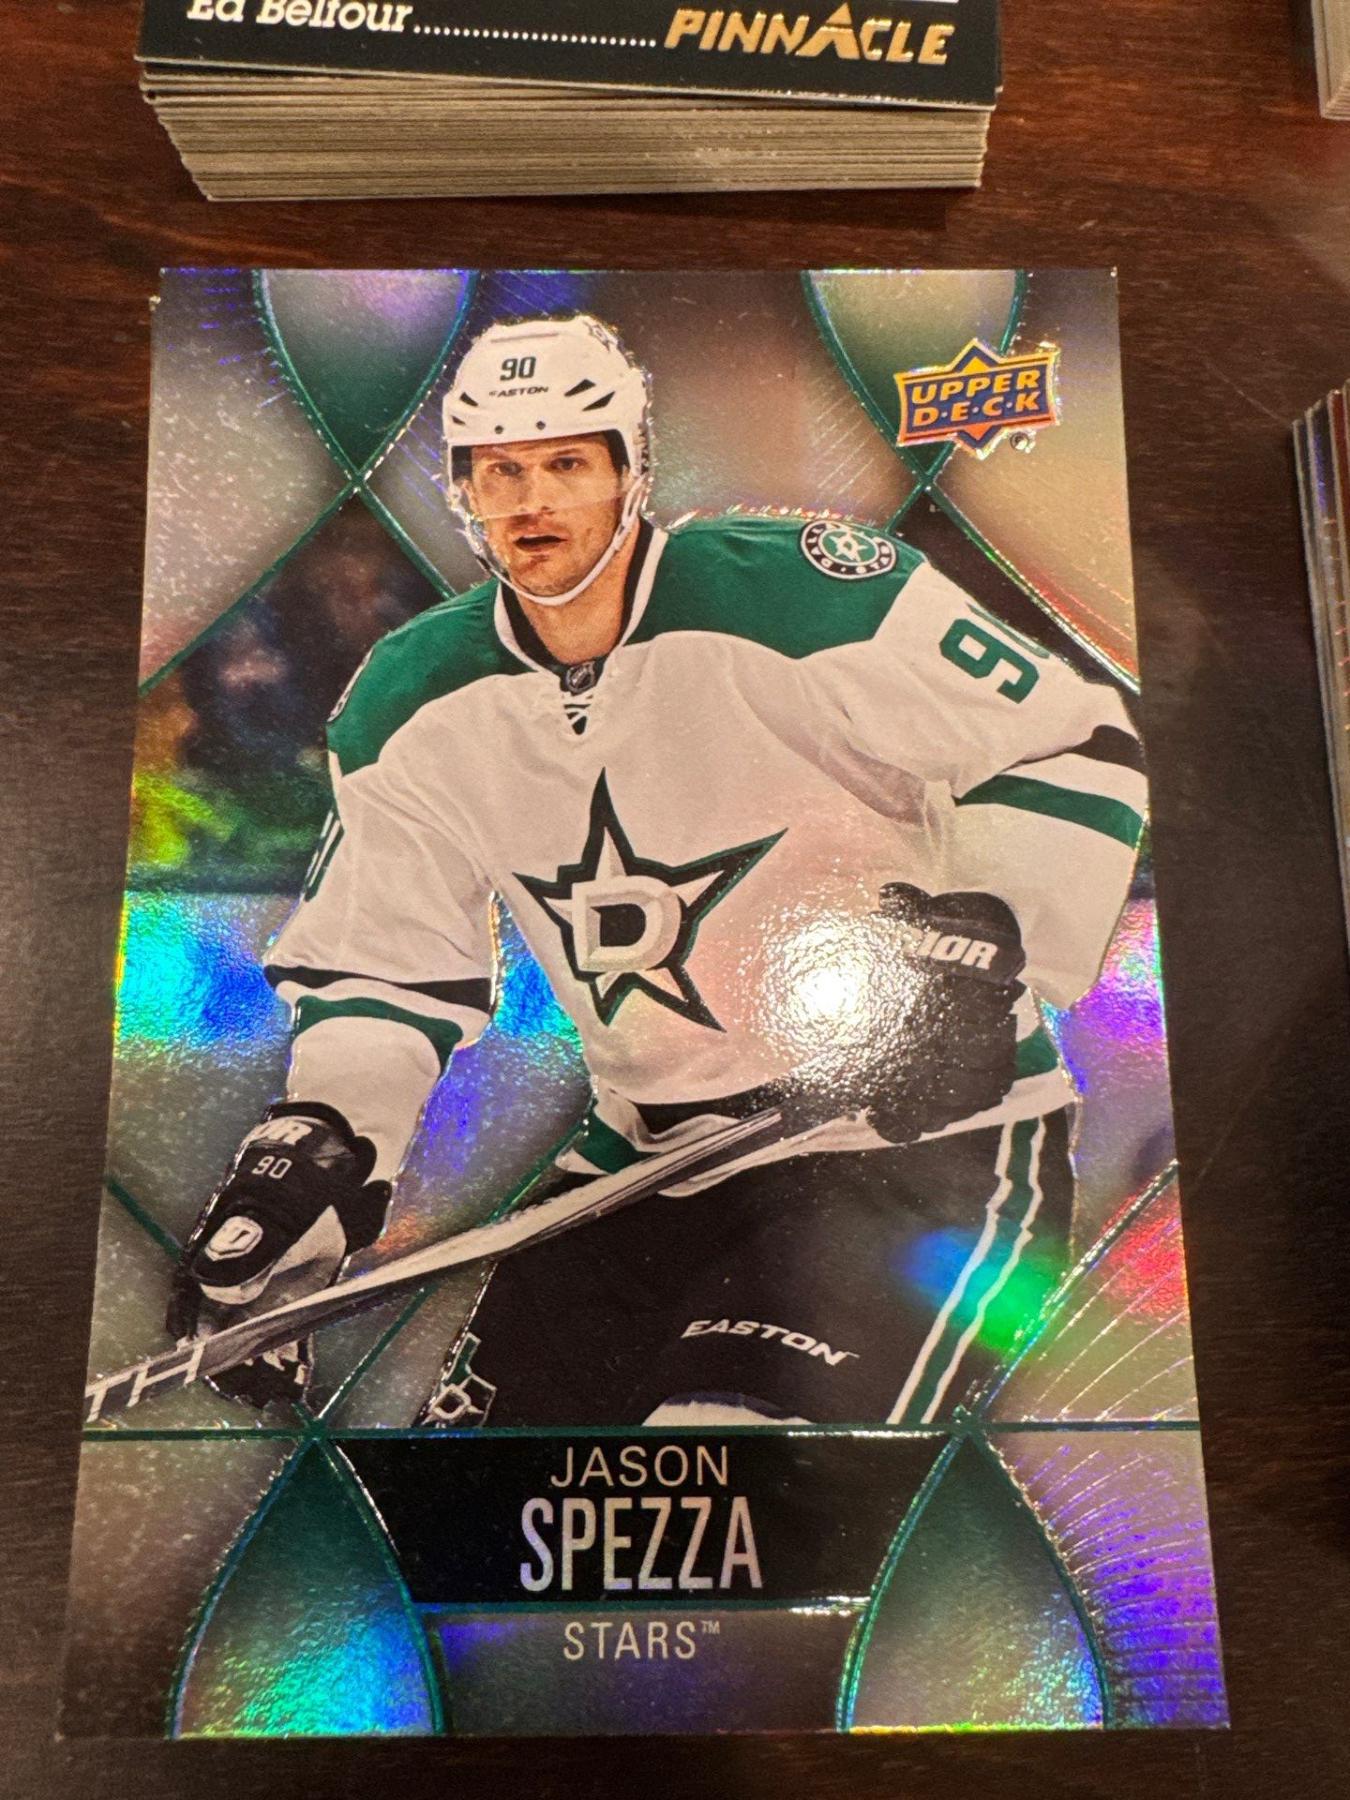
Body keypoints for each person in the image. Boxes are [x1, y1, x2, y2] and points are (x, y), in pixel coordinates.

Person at [167, 312, 1146, 1429]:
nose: (533, 501)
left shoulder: (808, 595)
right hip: (640, 1162)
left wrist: (986, 944)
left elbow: (1069, 742)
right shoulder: (408, 697)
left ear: (632, 471)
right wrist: (324, 1150)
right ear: (462, 491)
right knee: (475, 1502)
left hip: (908, 1149)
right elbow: (384, 971)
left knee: (718, 1464)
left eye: (567, 464)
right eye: (500, 471)